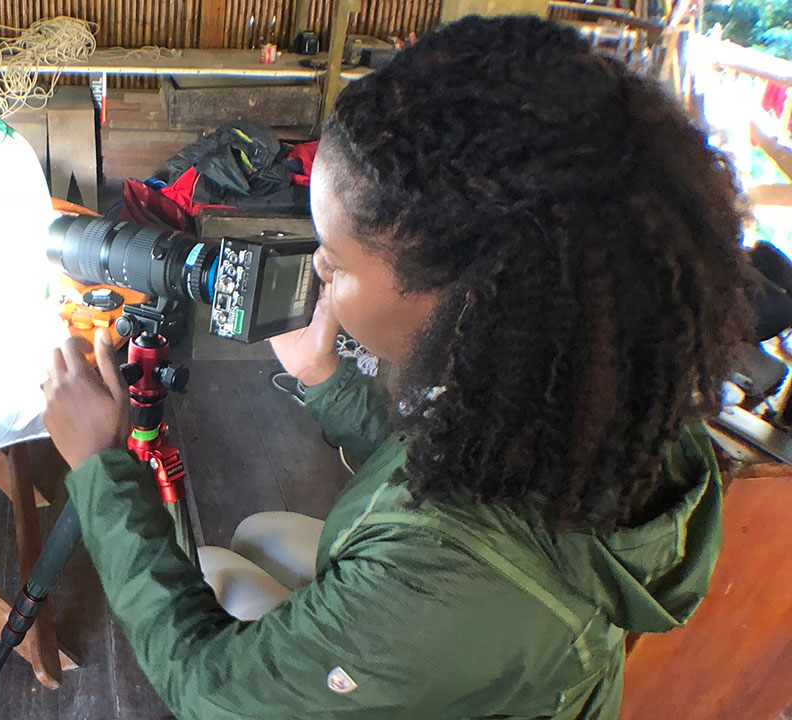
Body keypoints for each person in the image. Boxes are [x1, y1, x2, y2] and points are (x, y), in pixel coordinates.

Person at [42, 15, 753, 720]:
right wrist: (326, 383)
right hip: (496, 646)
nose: (316, 270)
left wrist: (99, 467)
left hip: (456, 623)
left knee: (215, 574)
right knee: (258, 533)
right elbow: (446, 466)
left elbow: (209, 689)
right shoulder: (578, 394)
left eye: (338, 261)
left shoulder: (457, 581)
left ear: (466, 302)